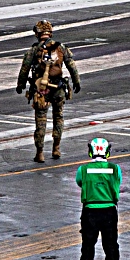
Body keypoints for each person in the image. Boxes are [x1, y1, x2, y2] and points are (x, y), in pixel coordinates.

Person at [16, 20, 81, 162]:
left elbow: (25, 68)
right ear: (50, 32)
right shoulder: (61, 48)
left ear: (37, 33)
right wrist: (76, 81)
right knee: (58, 117)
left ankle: (40, 153)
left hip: (41, 89)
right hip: (58, 88)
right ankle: (56, 148)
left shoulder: (34, 50)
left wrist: (20, 85)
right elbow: (71, 65)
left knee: (41, 119)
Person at [74, 137, 121, 260]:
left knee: (88, 245)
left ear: (91, 151)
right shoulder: (115, 169)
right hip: (109, 210)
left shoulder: (83, 170)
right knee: (111, 244)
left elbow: (80, 182)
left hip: (90, 211)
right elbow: (117, 182)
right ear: (107, 152)